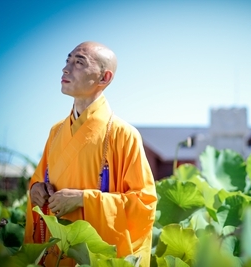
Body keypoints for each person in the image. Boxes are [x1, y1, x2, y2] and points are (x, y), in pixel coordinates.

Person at [24, 41, 157, 267]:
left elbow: (143, 203)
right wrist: (36, 190)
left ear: (104, 78)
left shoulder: (123, 135)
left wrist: (83, 200)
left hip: (96, 259)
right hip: (56, 254)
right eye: (67, 61)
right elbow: (39, 179)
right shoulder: (56, 132)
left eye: (79, 62)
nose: (66, 69)